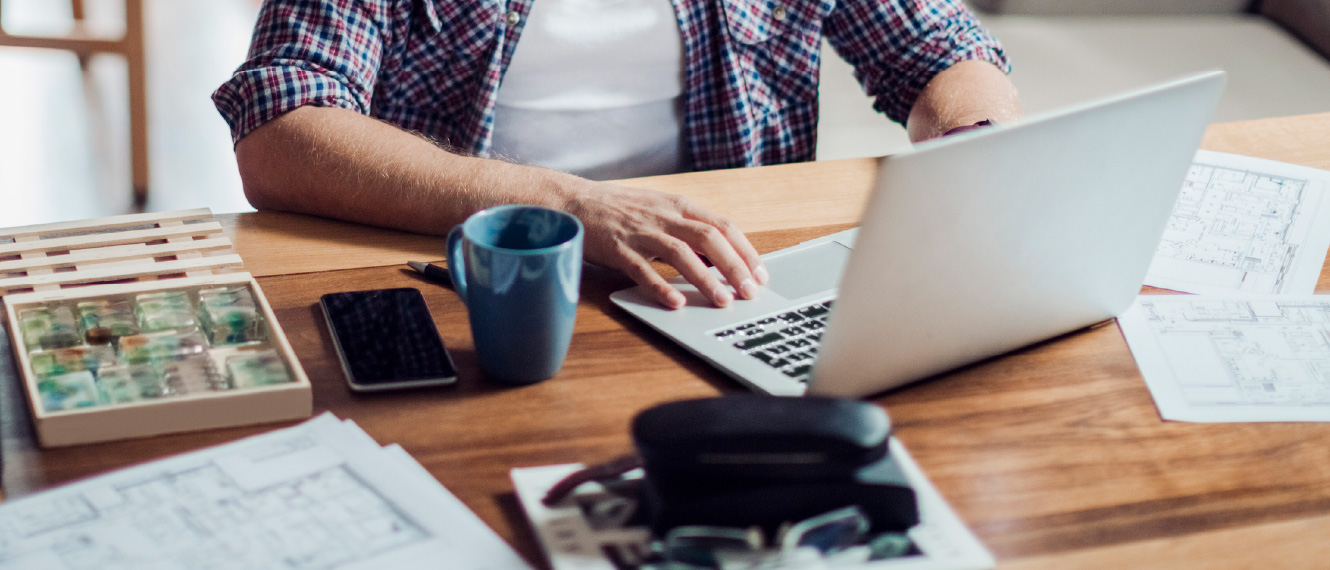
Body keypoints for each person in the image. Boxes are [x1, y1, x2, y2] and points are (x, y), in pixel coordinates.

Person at [213, 0, 1021, 310]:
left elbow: (940, 49)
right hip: (462, 284)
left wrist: (977, 152)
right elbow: (283, 131)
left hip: (716, 283)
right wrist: (568, 206)